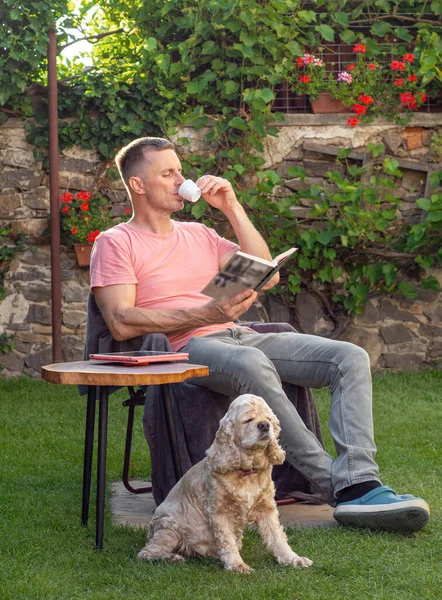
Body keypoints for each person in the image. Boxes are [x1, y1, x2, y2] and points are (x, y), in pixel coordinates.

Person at [90, 136, 430, 532]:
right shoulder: (116, 242)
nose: (182, 180)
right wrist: (203, 312)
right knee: (252, 362)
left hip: (236, 333)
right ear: (138, 185)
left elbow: (267, 273)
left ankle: (360, 478)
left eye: (180, 171)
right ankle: (342, 487)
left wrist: (232, 208)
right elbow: (120, 320)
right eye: (168, 173)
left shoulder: (199, 233)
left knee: (349, 356)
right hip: (186, 346)